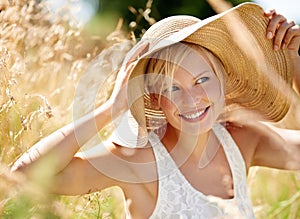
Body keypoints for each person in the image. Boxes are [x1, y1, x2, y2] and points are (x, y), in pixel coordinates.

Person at [11, 2, 300, 218]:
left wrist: (294, 58)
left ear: (222, 82)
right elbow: (26, 174)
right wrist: (111, 108)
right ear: (154, 98)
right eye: (172, 88)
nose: (191, 99)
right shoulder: (138, 163)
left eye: (202, 80)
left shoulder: (241, 139)